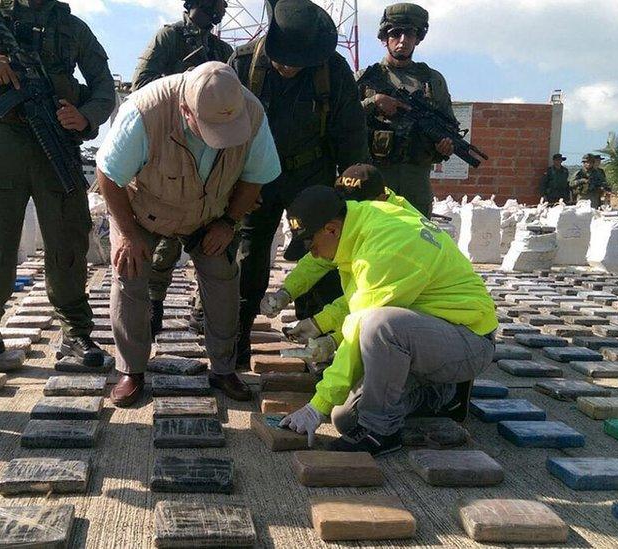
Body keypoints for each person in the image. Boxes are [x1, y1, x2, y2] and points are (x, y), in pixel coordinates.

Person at [96, 62, 281, 406]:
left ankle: (224, 368)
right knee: (129, 269)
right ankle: (132, 370)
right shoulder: (145, 112)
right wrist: (126, 232)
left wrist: (228, 222)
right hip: (146, 210)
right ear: (185, 110)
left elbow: (255, 176)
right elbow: (109, 174)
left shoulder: (251, 111)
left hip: (210, 214)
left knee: (223, 275)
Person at [262, 185, 497, 455]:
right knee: (346, 418)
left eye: (312, 246)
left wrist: (317, 406)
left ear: (331, 229)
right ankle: (438, 393)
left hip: (468, 339)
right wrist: (292, 297)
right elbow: (331, 274)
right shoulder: (356, 222)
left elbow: (363, 321)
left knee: (380, 327)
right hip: (425, 332)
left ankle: (381, 433)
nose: (312, 253)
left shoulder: (385, 248)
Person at [0, 0, 117, 369]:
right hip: (2, 131)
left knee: (67, 234)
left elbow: (104, 86)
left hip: (56, 133)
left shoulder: (72, 27)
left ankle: (75, 331)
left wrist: (85, 116)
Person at [229, 0, 368, 369]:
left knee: (322, 254)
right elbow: (220, 134)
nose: (287, 66)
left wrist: (350, 196)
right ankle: (236, 339)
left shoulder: (332, 70)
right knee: (249, 255)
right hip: (255, 176)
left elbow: (351, 137)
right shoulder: (242, 64)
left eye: (297, 61)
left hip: (310, 175)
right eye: (282, 58)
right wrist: (235, 185)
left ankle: (317, 342)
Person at [131, 0, 233, 337]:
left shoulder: (221, 49)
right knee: (165, 241)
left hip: (212, 150)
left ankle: (207, 312)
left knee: (213, 239)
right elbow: (140, 88)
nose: (214, 12)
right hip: (171, 143)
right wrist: (183, 83)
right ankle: (153, 302)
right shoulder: (169, 38)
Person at [357, 2, 455, 218]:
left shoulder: (432, 81)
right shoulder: (365, 79)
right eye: (396, 33)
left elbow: (448, 126)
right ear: (384, 38)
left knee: (416, 242)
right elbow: (343, 122)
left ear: (418, 38)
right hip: (375, 178)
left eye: (410, 34)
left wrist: (445, 146)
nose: (403, 41)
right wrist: (374, 102)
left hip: (415, 179)